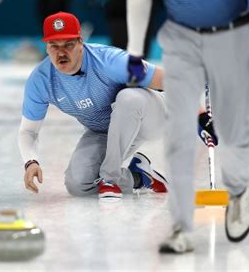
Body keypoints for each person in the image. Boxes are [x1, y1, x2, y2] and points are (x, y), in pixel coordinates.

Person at [124, 0, 249, 253]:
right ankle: (181, 227)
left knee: (230, 126)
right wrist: (135, 53)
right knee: (178, 132)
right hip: (181, 36)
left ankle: (238, 188)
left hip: (234, 32)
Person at [19, 11, 215, 200]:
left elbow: (166, 80)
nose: (61, 52)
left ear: (81, 42)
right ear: (46, 47)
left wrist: (198, 115)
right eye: (54, 45)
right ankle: (139, 177)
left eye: (68, 44)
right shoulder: (41, 80)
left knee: (128, 98)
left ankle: (110, 179)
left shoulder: (109, 60)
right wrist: (31, 161)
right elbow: (28, 131)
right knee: (78, 184)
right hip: (105, 131)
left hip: (149, 115)